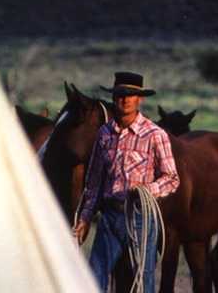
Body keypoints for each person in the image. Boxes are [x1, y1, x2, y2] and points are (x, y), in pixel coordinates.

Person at [73, 71, 180, 292]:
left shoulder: (155, 135)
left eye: (130, 95)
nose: (125, 99)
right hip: (110, 216)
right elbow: (94, 181)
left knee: (142, 284)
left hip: (141, 217)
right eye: (120, 94)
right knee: (94, 278)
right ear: (114, 97)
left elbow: (171, 178)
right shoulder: (104, 134)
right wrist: (85, 217)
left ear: (140, 99)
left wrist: (147, 189)